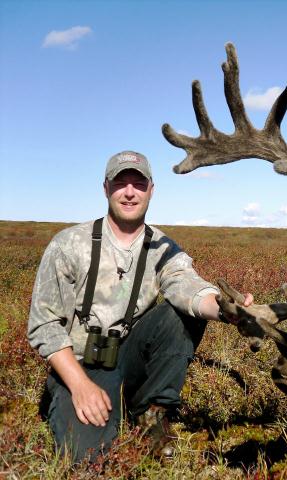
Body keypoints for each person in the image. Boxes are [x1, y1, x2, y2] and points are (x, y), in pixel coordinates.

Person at [27, 150, 253, 462]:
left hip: (129, 357)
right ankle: (96, 407)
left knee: (179, 314)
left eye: (139, 184)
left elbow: (186, 285)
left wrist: (225, 309)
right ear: (106, 188)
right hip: (78, 365)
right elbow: (44, 325)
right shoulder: (68, 244)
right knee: (87, 457)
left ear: (151, 190)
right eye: (121, 183)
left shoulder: (163, 247)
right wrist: (80, 386)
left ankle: (152, 414)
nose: (130, 192)